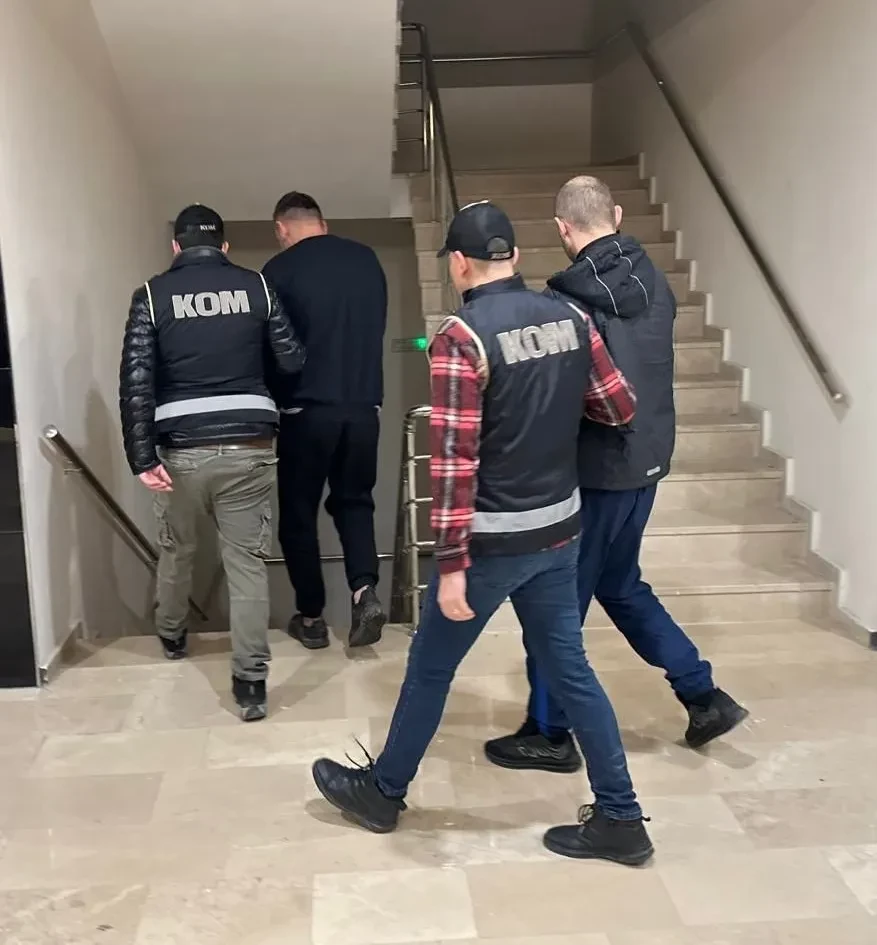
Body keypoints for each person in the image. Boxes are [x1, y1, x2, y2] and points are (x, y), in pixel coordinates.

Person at [312, 201, 655, 866]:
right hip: (559, 531)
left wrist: (450, 564)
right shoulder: (571, 316)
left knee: (430, 667)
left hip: (491, 543)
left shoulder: (461, 337)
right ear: (515, 256)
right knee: (572, 670)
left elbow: (452, 460)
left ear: (458, 264)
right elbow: (618, 406)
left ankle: (383, 792)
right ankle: (620, 815)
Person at [484, 176, 749, 772]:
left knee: (555, 604)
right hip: (646, 463)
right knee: (621, 584)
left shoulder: (568, 303)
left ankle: (549, 732)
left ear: (562, 228)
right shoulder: (656, 282)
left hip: (597, 471)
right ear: (618, 215)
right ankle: (702, 695)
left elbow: (570, 393)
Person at [119, 204, 305, 722]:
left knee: (177, 547)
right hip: (250, 443)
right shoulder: (257, 286)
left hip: (180, 448)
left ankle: (172, 634)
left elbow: (136, 379)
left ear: (176, 247)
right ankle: (251, 684)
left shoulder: (151, 295)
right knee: (246, 562)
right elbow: (291, 358)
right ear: (224, 247)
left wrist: (141, 456)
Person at [262, 192, 389, 651]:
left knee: (299, 513)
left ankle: (312, 617)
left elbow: (273, 349)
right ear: (322, 223)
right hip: (364, 408)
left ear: (282, 229)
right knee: (355, 502)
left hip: (306, 412)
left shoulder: (278, 272)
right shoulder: (367, 260)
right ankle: (364, 590)